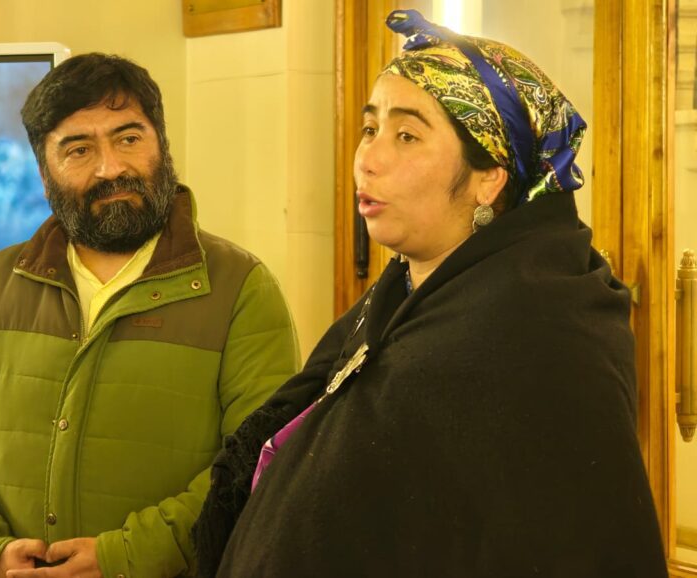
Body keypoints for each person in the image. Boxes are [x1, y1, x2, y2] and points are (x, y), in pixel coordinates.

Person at [192, 10, 668, 577]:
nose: (368, 159)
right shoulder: (400, 293)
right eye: (370, 128)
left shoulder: (540, 339)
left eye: (407, 136)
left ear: (489, 177)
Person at [0, 53, 299, 578]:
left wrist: (123, 557)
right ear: (44, 173)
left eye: (128, 138)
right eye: (79, 149)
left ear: (162, 145)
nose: (110, 167)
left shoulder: (240, 288)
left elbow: (261, 460)